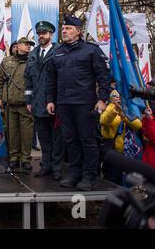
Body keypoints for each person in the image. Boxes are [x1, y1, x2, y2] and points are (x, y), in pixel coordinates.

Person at [46, 15, 110, 191]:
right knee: (70, 140)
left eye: (68, 28)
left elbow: (103, 76)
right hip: (63, 103)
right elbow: (51, 79)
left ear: (78, 32)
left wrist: (103, 99)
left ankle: (89, 175)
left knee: (87, 140)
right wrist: (50, 100)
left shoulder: (91, 50)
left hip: (85, 103)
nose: (64, 31)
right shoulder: (57, 51)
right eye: (64, 28)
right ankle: (75, 173)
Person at [25, 21, 63, 180]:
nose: (41, 36)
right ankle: (46, 165)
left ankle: (57, 168)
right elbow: (28, 79)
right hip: (37, 103)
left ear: (51, 35)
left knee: (57, 138)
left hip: (55, 103)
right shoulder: (33, 54)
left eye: (44, 33)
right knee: (44, 138)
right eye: (39, 33)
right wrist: (28, 100)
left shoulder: (59, 51)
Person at [0, 37, 35, 172]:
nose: (29, 46)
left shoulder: (33, 61)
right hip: (9, 103)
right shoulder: (7, 61)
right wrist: (0, 97)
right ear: (17, 46)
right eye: (26, 44)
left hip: (26, 104)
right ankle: (13, 157)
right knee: (12, 132)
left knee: (26, 134)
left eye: (30, 45)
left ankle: (25, 159)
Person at [100, 90, 142, 184]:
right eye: (115, 96)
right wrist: (115, 110)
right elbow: (104, 121)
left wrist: (124, 116)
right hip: (111, 149)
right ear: (111, 98)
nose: (118, 98)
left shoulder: (129, 109)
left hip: (127, 150)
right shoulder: (109, 108)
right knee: (111, 177)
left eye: (120, 96)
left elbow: (138, 125)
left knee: (125, 178)